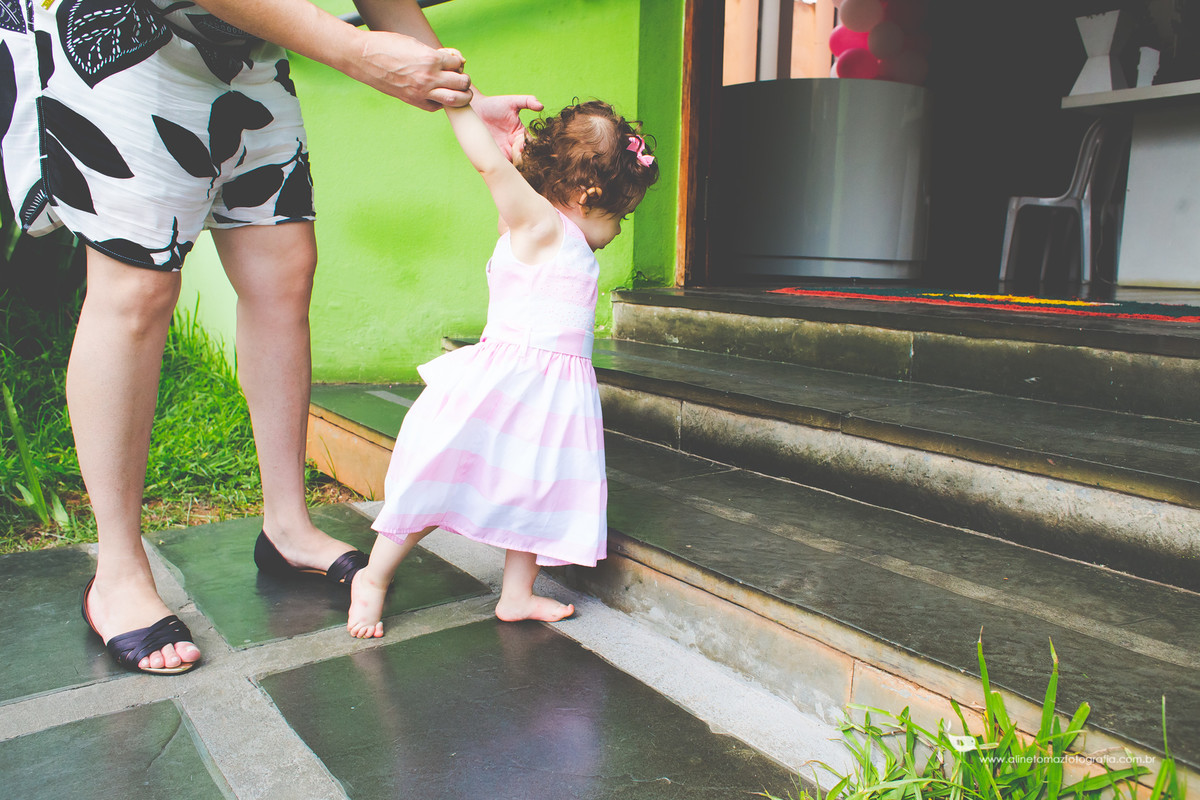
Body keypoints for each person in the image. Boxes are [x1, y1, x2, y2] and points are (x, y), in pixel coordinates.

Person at [0, 0, 540, 675]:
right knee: (136, 288)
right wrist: (354, 53)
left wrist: (467, 97)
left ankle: (287, 524)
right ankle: (117, 572)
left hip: (246, 41)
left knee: (283, 270)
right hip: (124, 31)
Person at [347, 93, 659, 638]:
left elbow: (505, 174)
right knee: (435, 479)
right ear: (588, 196)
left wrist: (516, 161)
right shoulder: (541, 226)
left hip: (552, 397)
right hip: (505, 386)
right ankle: (372, 578)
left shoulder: (542, 227)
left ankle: (517, 595)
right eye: (621, 216)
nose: (618, 230)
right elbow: (489, 166)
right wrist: (459, 107)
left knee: (537, 490)